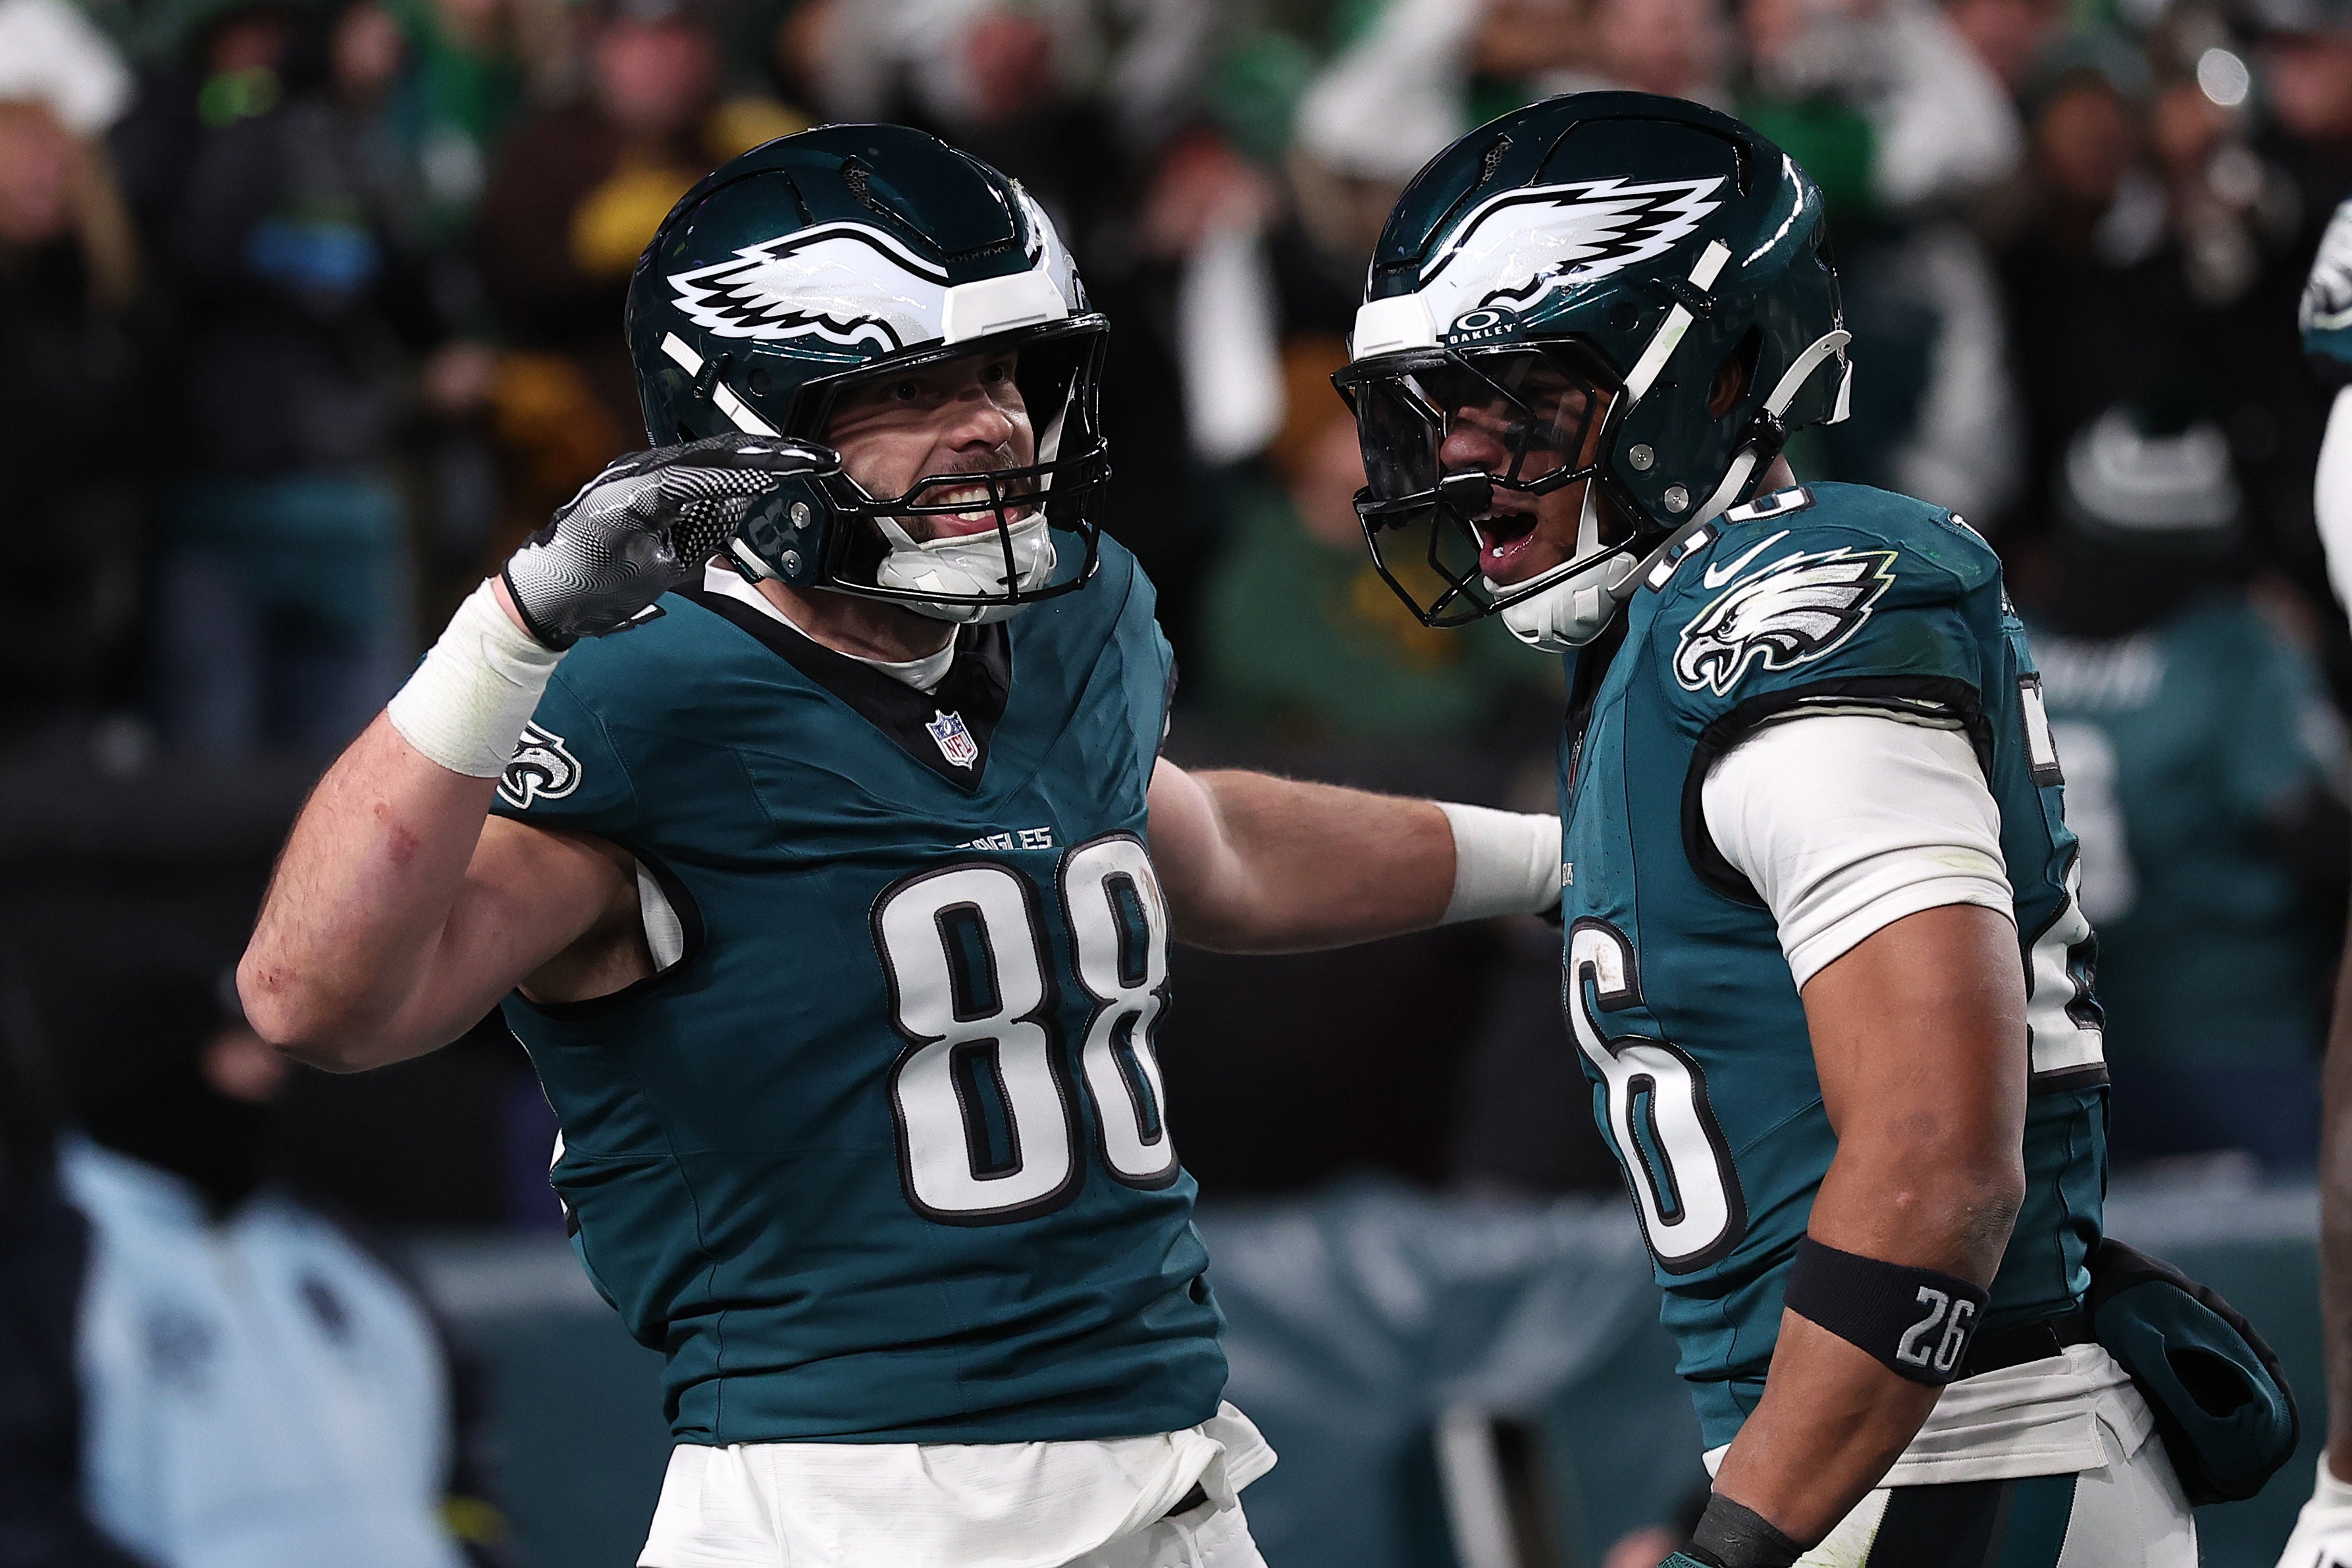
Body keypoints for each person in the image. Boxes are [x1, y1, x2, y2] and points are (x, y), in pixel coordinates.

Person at [236, 124, 1566, 1568]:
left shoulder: (1068, 622)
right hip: (853, 1500)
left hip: (1166, 1462)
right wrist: (512, 628)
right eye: (911, 389)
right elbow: (314, 1002)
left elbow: (1209, 845)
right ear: (748, 431)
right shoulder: (642, 700)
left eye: (1004, 375)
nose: (991, 425)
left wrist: (1561, 863)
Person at [1336, 91, 2257, 1564]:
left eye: (1523, 399)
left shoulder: (1785, 620)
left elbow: (1936, 1160)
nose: (1459, 456)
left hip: (1962, 1460)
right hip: (1891, 1449)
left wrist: (1732, 1546)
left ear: (1711, 375)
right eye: (1444, 406)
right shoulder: (1655, 641)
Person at [5, 961, 508, 1568]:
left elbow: (462, 1457)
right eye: (233, 1051)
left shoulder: (346, 1252)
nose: (267, 1074)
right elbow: (21, 1498)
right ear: (152, 1066)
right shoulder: (48, 1265)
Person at [2020, 405, 2345, 1175]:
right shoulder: (2233, 649)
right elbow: (2308, 829)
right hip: (2229, 1042)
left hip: (2044, 1051)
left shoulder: (2008, 644)